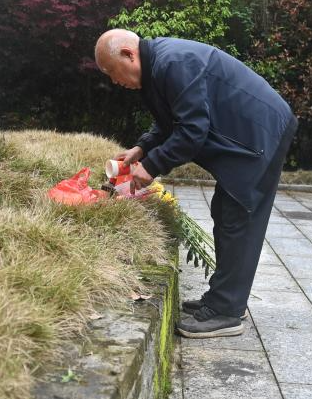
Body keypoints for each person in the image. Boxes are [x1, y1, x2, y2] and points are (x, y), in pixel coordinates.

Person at [94, 29, 297, 338]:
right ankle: (224, 299)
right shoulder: (159, 67)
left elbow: (192, 130)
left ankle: (227, 311)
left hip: (262, 131)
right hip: (250, 132)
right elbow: (171, 120)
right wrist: (143, 148)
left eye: (111, 71)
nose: (113, 80)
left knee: (238, 216)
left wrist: (152, 166)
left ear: (128, 54)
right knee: (227, 212)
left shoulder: (173, 63)